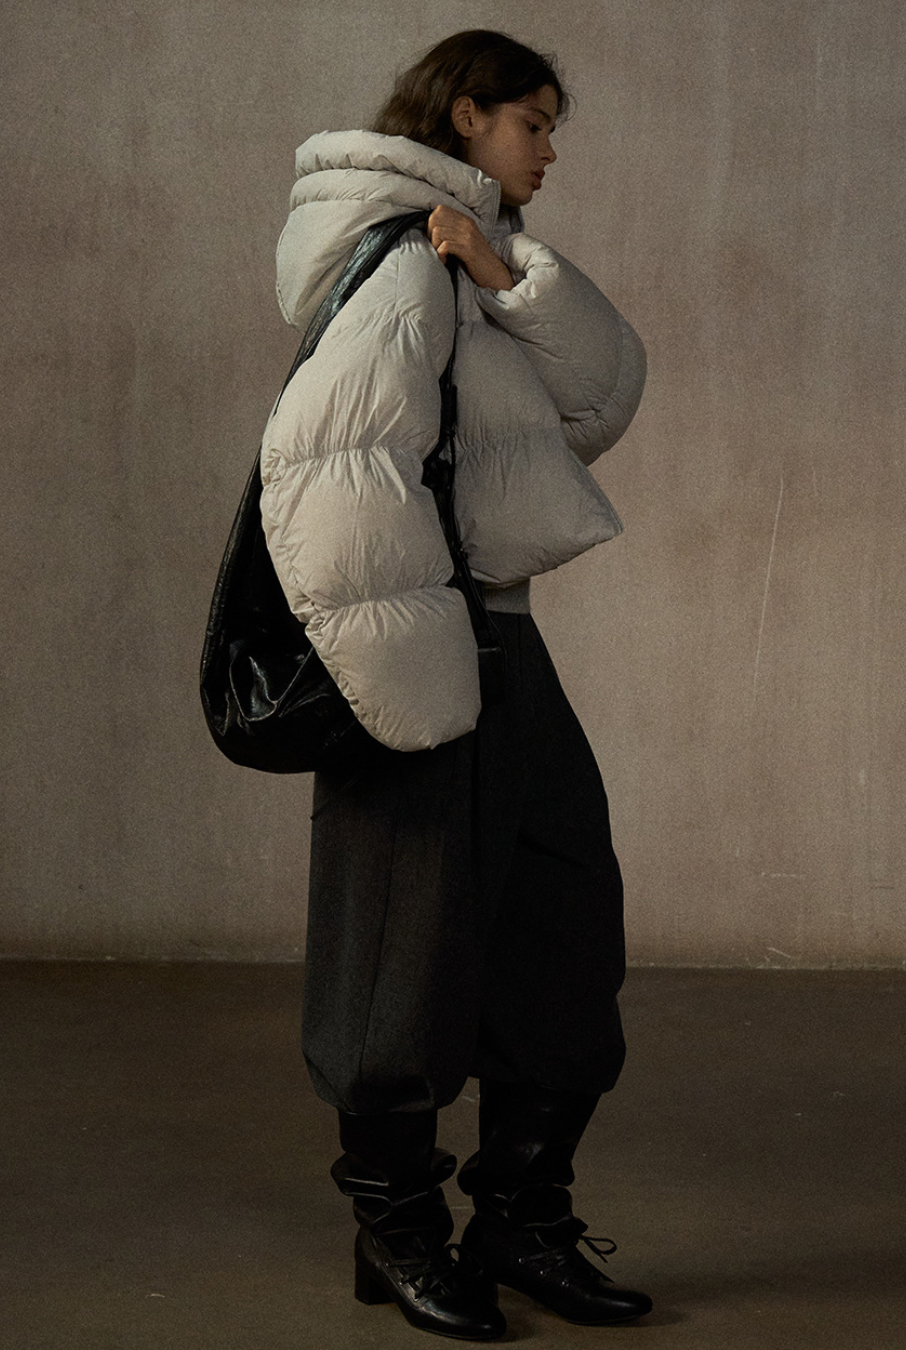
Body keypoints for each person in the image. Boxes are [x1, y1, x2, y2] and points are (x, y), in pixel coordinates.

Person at [259, 29, 650, 1341]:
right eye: (533, 123)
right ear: (468, 114)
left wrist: (507, 272)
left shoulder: (465, 258)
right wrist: (401, 674)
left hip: (495, 642)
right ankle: (398, 1227)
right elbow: (322, 472)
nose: (548, 150)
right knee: (398, 960)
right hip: (417, 653)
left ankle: (523, 1219)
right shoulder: (397, 264)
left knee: (562, 922)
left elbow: (596, 401)